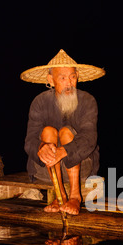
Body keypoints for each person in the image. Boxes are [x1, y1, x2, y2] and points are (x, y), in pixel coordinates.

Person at [21, 49, 105, 215]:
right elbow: (29, 141)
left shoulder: (88, 101)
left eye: (72, 76)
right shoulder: (39, 102)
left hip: (82, 170)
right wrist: (41, 148)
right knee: (48, 132)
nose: (69, 83)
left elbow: (89, 138)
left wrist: (64, 151)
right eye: (62, 78)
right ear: (50, 80)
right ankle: (60, 196)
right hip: (46, 171)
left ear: (78, 77)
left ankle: (75, 196)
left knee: (66, 132)